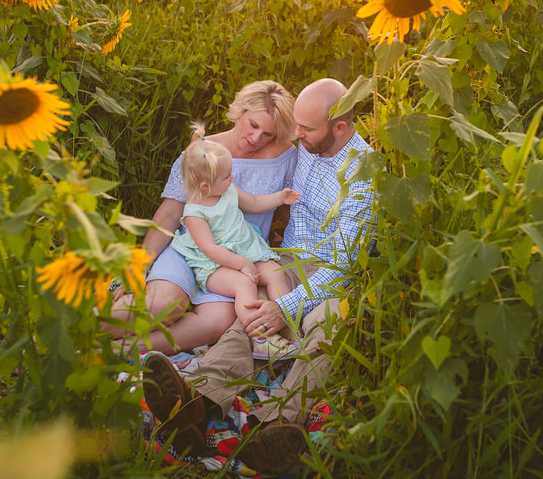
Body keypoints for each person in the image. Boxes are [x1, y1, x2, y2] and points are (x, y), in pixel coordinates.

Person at [142, 78, 377, 474]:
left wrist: (284, 307)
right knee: (247, 320)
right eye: (296, 126)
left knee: (326, 327)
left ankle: (274, 424)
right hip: (286, 259)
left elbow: (344, 262)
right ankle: (194, 402)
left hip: (334, 273)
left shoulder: (364, 172)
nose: (295, 136)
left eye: (305, 128)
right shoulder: (304, 148)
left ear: (339, 127)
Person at [107, 80, 298, 354]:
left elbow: (289, 211)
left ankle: (114, 352)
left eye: (268, 133)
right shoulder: (204, 152)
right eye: (253, 125)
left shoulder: (285, 155)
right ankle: (61, 336)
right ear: (240, 111)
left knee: (217, 322)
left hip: (239, 258)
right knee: (164, 305)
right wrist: (140, 264)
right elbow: (171, 211)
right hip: (193, 246)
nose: (256, 138)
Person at [170, 122, 302, 360]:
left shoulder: (227, 190)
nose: (232, 177)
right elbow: (209, 249)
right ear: (204, 186)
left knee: (274, 271)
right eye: (226, 176)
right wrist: (240, 264)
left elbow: (253, 201)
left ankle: (289, 324)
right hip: (217, 266)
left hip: (246, 250)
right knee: (245, 284)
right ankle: (259, 337)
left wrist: (280, 198)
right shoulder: (194, 213)